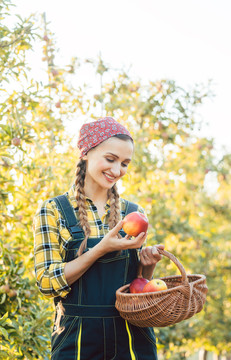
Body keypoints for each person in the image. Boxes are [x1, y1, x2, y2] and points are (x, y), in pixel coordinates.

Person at [33, 117, 164, 360]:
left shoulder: (133, 213)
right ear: (86, 153)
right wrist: (100, 249)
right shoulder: (53, 210)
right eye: (110, 159)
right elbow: (46, 282)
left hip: (132, 337)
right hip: (77, 338)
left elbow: (137, 289)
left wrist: (147, 267)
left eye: (125, 163)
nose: (117, 171)